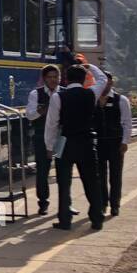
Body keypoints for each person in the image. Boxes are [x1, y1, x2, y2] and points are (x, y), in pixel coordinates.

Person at [44, 64, 103, 231]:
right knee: (92, 181)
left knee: (64, 183)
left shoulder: (58, 97)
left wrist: (49, 147)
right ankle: (96, 219)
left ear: (66, 79)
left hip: (66, 143)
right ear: (84, 79)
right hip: (86, 142)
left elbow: (51, 124)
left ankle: (65, 220)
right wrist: (90, 66)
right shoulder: (91, 93)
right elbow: (102, 79)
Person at [95, 72, 132, 218]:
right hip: (99, 143)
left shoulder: (121, 100)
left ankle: (115, 205)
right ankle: (103, 203)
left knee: (115, 175)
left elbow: (127, 123)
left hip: (115, 142)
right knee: (100, 176)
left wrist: (125, 142)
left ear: (111, 83)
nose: (105, 85)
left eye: (108, 82)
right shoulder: (94, 99)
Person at [25, 64, 61, 214]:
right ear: (44, 79)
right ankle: (43, 202)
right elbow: (30, 115)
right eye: (50, 77)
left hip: (60, 137)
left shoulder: (65, 93)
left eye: (55, 77)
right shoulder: (36, 94)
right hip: (41, 136)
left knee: (63, 171)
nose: (53, 80)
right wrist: (45, 108)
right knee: (42, 171)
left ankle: (65, 203)